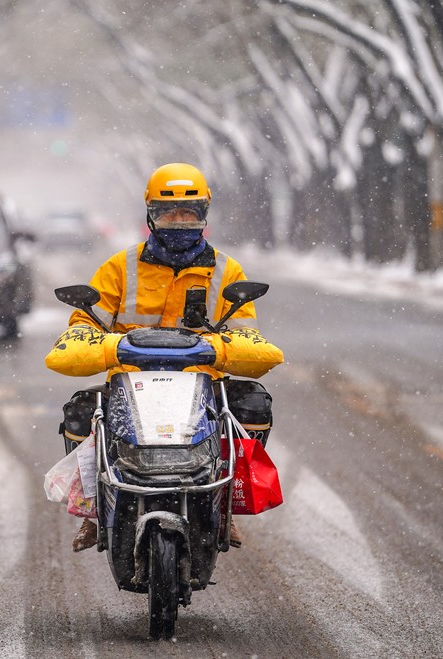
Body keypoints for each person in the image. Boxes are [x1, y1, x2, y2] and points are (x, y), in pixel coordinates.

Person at [45, 162, 284, 552]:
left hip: (202, 385)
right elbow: (78, 332)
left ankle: (224, 506)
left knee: (254, 404)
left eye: (189, 213)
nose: (179, 222)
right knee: (79, 412)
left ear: (204, 215)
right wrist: (110, 347)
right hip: (128, 384)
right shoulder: (118, 268)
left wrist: (216, 348)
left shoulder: (227, 271)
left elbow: (248, 340)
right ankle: (93, 508)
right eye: (168, 212)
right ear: (150, 215)